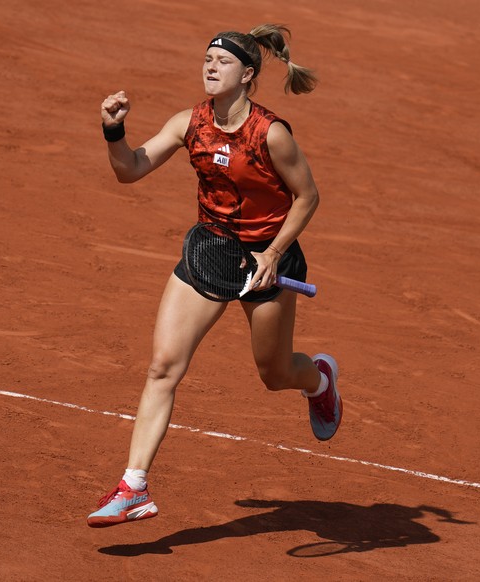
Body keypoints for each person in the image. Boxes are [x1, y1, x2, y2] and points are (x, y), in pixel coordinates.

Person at [87, 24, 342, 528]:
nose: (209, 66)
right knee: (163, 365)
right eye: (206, 58)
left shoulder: (272, 134)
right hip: (211, 251)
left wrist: (273, 252)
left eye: (221, 62)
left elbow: (307, 196)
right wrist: (113, 130)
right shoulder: (189, 124)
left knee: (274, 375)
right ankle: (132, 487)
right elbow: (130, 169)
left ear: (247, 74)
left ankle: (318, 381)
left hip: (269, 261)